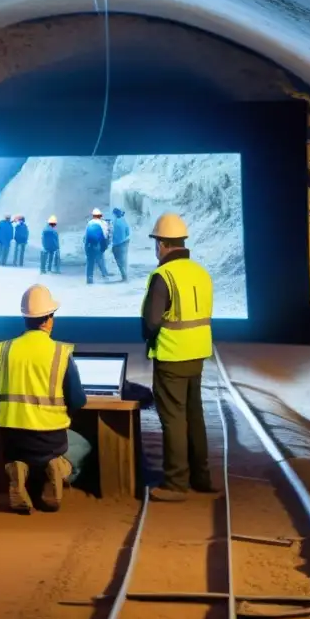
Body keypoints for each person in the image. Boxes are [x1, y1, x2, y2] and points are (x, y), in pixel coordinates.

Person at [0, 285, 92, 514]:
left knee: (20, 454)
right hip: (52, 440)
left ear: (24, 318)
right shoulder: (60, 352)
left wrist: (7, 407)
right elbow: (78, 401)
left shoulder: (4, 350)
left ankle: (17, 468)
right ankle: (58, 468)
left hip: (13, 440)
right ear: (48, 320)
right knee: (82, 445)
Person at [141, 212, 217, 502]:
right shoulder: (201, 272)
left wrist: (148, 338)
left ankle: (175, 483)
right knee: (194, 417)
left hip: (171, 356)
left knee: (173, 419)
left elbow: (151, 322)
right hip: (196, 355)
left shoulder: (164, 276)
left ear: (161, 244)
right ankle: (202, 477)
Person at [84, 208, 110, 284]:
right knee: (100, 260)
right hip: (97, 244)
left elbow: (86, 236)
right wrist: (104, 246)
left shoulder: (89, 223)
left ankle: (89, 278)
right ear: (100, 216)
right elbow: (104, 236)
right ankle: (105, 276)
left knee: (90, 262)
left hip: (89, 245)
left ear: (93, 215)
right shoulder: (103, 223)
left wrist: (86, 247)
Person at [110, 207, 131, 282]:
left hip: (117, 244)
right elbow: (128, 233)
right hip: (125, 242)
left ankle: (124, 277)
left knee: (119, 262)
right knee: (124, 260)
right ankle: (125, 277)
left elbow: (112, 235)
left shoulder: (114, 222)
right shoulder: (124, 221)